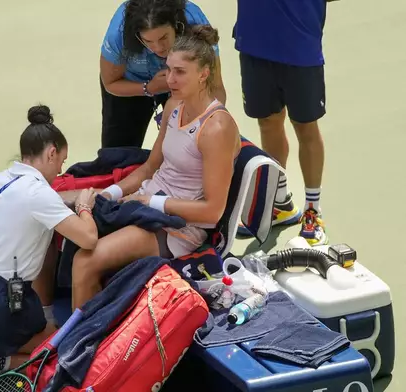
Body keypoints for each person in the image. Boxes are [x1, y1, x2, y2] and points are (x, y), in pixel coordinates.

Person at [72, 25, 240, 310]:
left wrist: (152, 202)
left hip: (176, 229)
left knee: (86, 260)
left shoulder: (217, 128)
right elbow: (150, 167)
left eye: (180, 72)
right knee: (63, 223)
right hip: (143, 205)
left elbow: (213, 211)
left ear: (204, 74)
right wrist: (109, 193)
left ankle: (75, 349)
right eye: (168, 69)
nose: (170, 79)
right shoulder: (175, 105)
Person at [0, 105, 99, 390]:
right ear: (51, 153)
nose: (61, 170)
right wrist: (84, 206)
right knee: (63, 350)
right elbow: (88, 238)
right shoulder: (38, 193)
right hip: (5, 305)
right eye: (61, 161)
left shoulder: (3, 179)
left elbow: (42, 204)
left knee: (44, 338)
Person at [233, 0, 330, 245]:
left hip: (300, 47)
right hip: (255, 44)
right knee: (268, 121)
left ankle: (312, 210)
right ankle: (280, 202)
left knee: (305, 126)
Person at [99, 0, 226, 148]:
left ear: (176, 25)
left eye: (163, 38)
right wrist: (149, 88)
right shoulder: (118, 35)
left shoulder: (195, 24)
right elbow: (110, 82)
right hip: (131, 82)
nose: (158, 48)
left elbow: (215, 86)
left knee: (187, 148)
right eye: (148, 41)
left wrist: (210, 124)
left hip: (185, 86)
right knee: (118, 151)